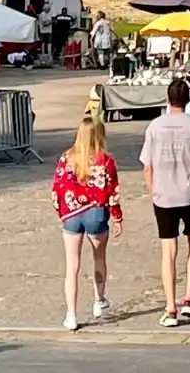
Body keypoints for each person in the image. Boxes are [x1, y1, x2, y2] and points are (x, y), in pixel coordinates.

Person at [140, 77, 190, 328]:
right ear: (188, 98)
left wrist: (153, 191)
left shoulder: (155, 126)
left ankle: (170, 307)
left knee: (168, 251)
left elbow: (146, 166)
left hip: (164, 194)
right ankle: (189, 297)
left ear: (168, 99)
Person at [51, 116, 123, 330]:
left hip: (72, 214)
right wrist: (117, 217)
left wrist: (62, 212)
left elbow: (56, 189)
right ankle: (99, 300)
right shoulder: (105, 160)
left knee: (72, 266)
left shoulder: (66, 158)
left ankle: (71, 315)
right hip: (96, 213)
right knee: (99, 258)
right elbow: (113, 192)